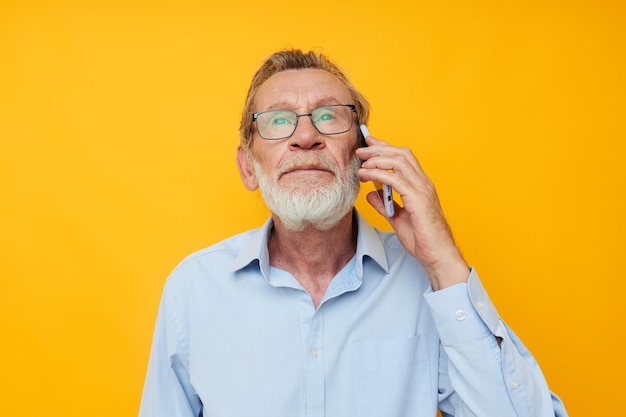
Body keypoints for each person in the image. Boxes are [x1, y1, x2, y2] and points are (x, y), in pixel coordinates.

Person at [139, 49, 567, 417]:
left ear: (363, 153)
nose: (306, 136)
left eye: (328, 116)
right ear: (249, 166)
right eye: (278, 120)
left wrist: (445, 264)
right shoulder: (193, 290)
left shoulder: (426, 282)